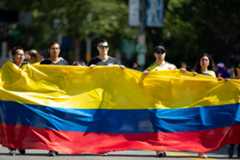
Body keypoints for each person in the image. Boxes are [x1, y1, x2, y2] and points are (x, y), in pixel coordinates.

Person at [144, 45, 176, 158]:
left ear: (165, 54)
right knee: (157, 124)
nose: (160, 54)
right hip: (155, 101)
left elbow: (179, 80)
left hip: (168, 101)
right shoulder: (150, 68)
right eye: (157, 52)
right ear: (154, 54)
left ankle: (162, 147)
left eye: (162, 52)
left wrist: (182, 72)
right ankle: (159, 149)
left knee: (164, 125)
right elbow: (141, 83)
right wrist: (143, 76)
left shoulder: (171, 67)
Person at [40, 42, 68, 156]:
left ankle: (57, 146)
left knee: (58, 123)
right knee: (49, 122)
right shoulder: (44, 63)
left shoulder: (64, 63)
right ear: (49, 50)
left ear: (59, 50)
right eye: (53, 48)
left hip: (60, 97)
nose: (55, 50)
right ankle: (51, 147)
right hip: (47, 97)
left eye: (57, 48)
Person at [194, 53, 216, 158]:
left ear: (209, 62)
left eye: (206, 60)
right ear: (199, 62)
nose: (204, 61)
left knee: (206, 128)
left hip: (208, 104)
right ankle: (201, 151)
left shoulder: (212, 73)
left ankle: (202, 150)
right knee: (199, 128)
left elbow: (216, 86)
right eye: (202, 59)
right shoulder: (194, 74)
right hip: (197, 104)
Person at [7, 47, 26, 155]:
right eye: (18, 54)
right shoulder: (8, 67)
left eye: (22, 54)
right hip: (11, 101)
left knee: (24, 124)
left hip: (24, 101)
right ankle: (12, 146)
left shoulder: (27, 67)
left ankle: (21, 144)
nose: (21, 56)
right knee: (12, 125)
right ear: (13, 56)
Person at [228, 63, 240, 158]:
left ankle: (239, 151)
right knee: (233, 129)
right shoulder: (233, 81)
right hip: (234, 108)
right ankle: (231, 148)